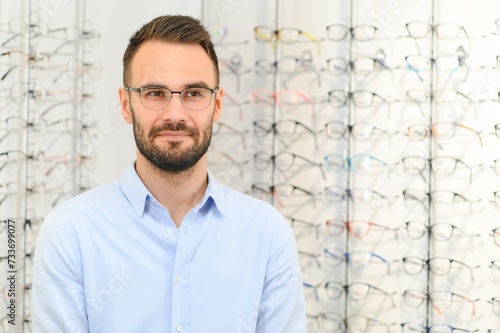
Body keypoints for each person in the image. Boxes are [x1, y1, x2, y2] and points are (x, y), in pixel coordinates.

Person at [31, 15, 306, 332]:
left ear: (217, 105)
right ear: (125, 105)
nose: (175, 114)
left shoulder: (267, 235)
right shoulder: (71, 234)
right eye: (154, 93)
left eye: (194, 93)